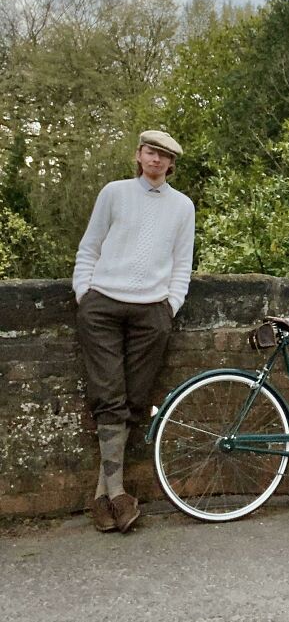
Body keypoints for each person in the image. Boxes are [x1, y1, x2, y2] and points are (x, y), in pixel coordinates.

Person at [73, 129, 195, 533]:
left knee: (134, 398)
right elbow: (90, 245)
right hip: (103, 305)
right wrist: (84, 294)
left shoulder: (182, 207)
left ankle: (101, 497)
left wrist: (171, 305)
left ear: (171, 163)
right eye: (149, 152)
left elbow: (182, 263)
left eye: (163, 155)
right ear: (138, 155)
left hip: (151, 314)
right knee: (109, 395)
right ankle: (119, 493)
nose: (155, 160)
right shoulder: (114, 192)